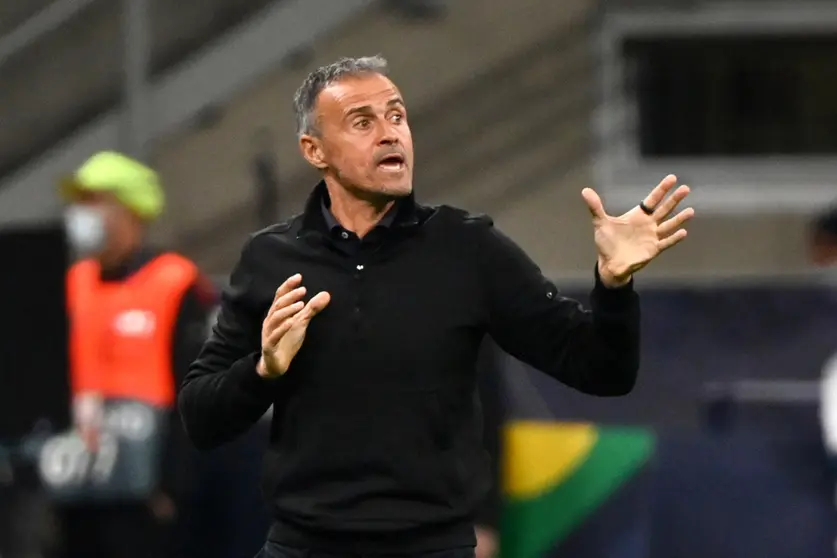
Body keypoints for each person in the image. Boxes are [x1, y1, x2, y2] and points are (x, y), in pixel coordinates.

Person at [179, 55, 694, 557]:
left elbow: (603, 370)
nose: (390, 133)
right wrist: (263, 370)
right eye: (363, 121)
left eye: (397, 116)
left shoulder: (468, 249)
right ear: (315, 151)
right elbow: (201, 417)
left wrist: (614, 285)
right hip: (302, 544)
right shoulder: (271, 258)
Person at [52, 151, 215, 558]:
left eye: (96, 201)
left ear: (130, 211)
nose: (82, 214)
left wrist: (172, 487)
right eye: (80, 202)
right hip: (76, 487)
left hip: (146, 493)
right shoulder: (71, 284)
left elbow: (196, 386)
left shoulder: (174, 282)